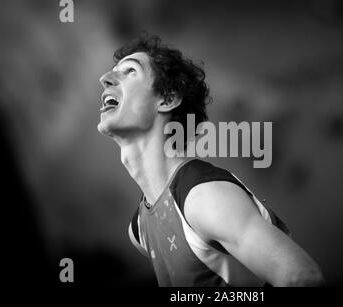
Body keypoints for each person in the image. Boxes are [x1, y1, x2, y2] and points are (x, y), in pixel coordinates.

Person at [97, 31, 323, 287]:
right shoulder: (139, 230)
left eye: (130, 71)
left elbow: (302, 278)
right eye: (113, 72)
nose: (105, 79)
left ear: (168, 99)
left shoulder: (203, 198)